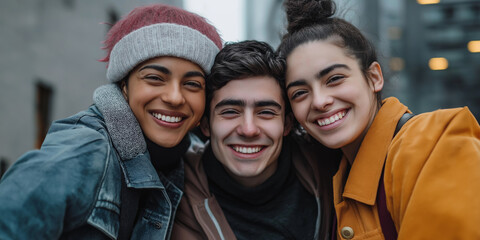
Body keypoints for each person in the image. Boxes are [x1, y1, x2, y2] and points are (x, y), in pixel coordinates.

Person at [0, 4, 222, 239]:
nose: (175, 97)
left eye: (192, 84)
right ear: (124, 86)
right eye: (155, 78)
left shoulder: (188, 163)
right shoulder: (88, 150)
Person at [277, 0, 480, 239]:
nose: (320, 101)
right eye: (300, 93)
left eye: (334, 79)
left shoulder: (433, 145)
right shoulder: (331, 178)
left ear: (374, 77)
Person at [171, 40, 338, 240]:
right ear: (205, 125)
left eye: (266, 112)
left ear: (287, 124)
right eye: (230, 112)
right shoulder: (175, 193)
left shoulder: (331, 169)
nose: (248, 130)